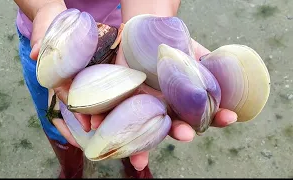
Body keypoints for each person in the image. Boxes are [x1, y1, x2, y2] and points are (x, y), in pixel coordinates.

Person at [13, 0, 238, 178]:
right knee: (57, 124)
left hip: (121, 24)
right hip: (43, 40)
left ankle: (131, 165)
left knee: (130, 129)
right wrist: (43, 7)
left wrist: (147, 25)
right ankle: (72, 170)